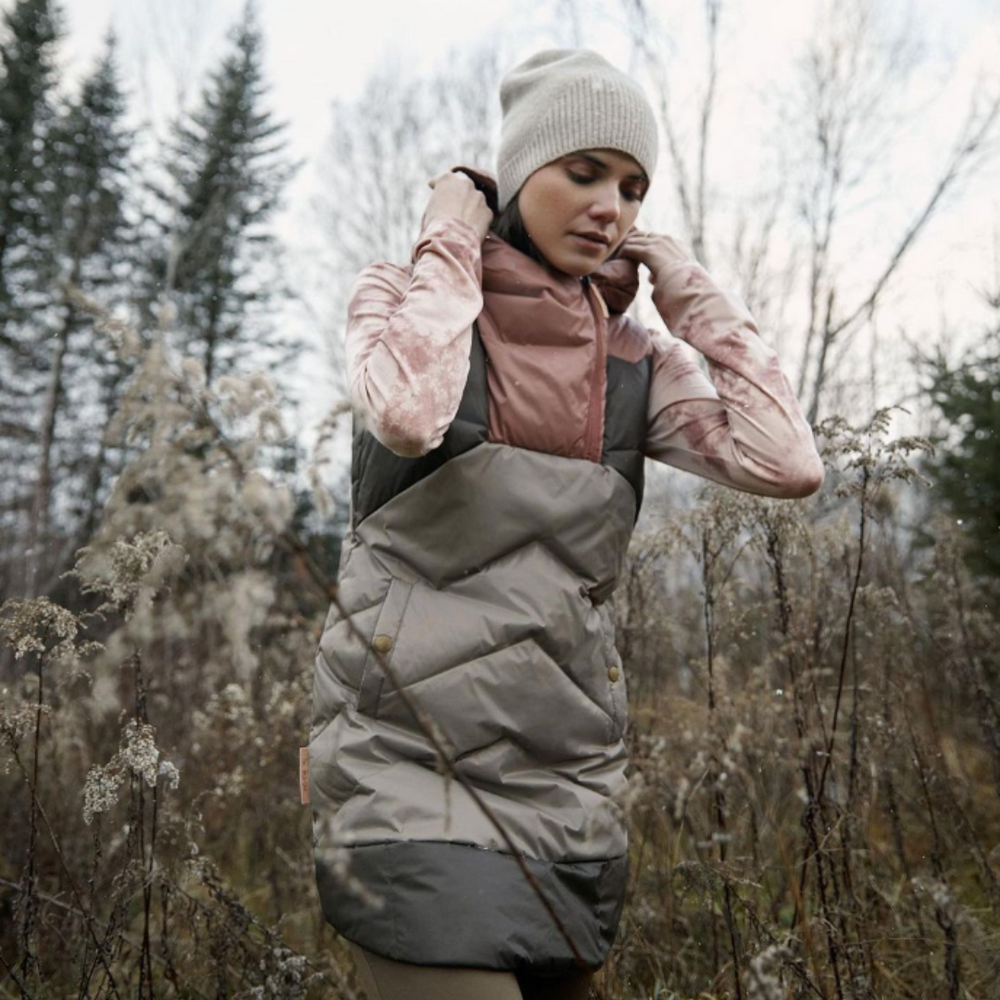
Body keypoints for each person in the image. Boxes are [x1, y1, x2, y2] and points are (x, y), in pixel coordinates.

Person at [308, 48, 825, 1000]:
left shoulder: (638, 363)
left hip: (566, 788)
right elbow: (411, 415)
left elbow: (787, 464)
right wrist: (448, 239)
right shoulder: (403, 298)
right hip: (405, 768)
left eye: (632, 188)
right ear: (515, 175)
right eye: (581, 172)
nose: (610, 207)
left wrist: (691, 292)